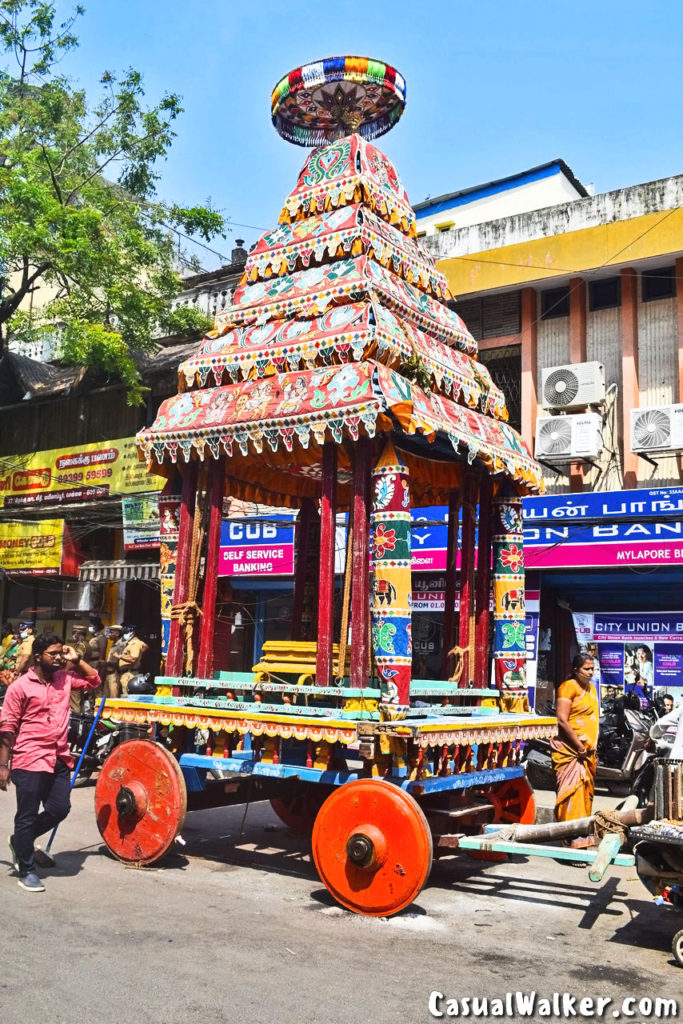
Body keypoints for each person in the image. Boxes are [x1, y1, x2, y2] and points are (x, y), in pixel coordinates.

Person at [0, 632, 101, 892]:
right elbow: (8, 727)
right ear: (37, 657)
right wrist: (3, 765)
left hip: (58, 757)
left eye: (60, 653)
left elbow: (94, 680)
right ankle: (27, 868)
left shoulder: (64, 679)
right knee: (27, 815)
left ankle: (20, 841)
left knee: (60, 809)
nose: (58, 658)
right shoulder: (20, 687)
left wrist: (76, 659)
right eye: (52, 654)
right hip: (29, 758)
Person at [551, 653, 600, 822]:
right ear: (576, 670)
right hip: (571, 752)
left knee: (585, 794)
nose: (590, 672)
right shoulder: (567, 687)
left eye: (592, 669)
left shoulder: (592, 689)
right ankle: (569, 836)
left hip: (588, 754)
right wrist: (579, 746)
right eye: (586, 669)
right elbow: (562, 720)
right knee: (571, 793)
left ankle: (583, 835)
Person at [117, 625, 149, 695]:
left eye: (126, 632)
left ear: (132, 633)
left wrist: (119, 656)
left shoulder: (135, 644)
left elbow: (133, 659)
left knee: (127, 695)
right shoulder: (130, 643)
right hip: (127, 673)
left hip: (130, 674)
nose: (124, 634)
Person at [104, 624, 127, 698]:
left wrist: (106, 663)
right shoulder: (114, 644)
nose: (109, 635)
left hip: (115, 674)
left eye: (111, 632)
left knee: (113, 697)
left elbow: (120, 661)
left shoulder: (121, 644)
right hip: (108, 673)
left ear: (117, 634)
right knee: (106, 697)